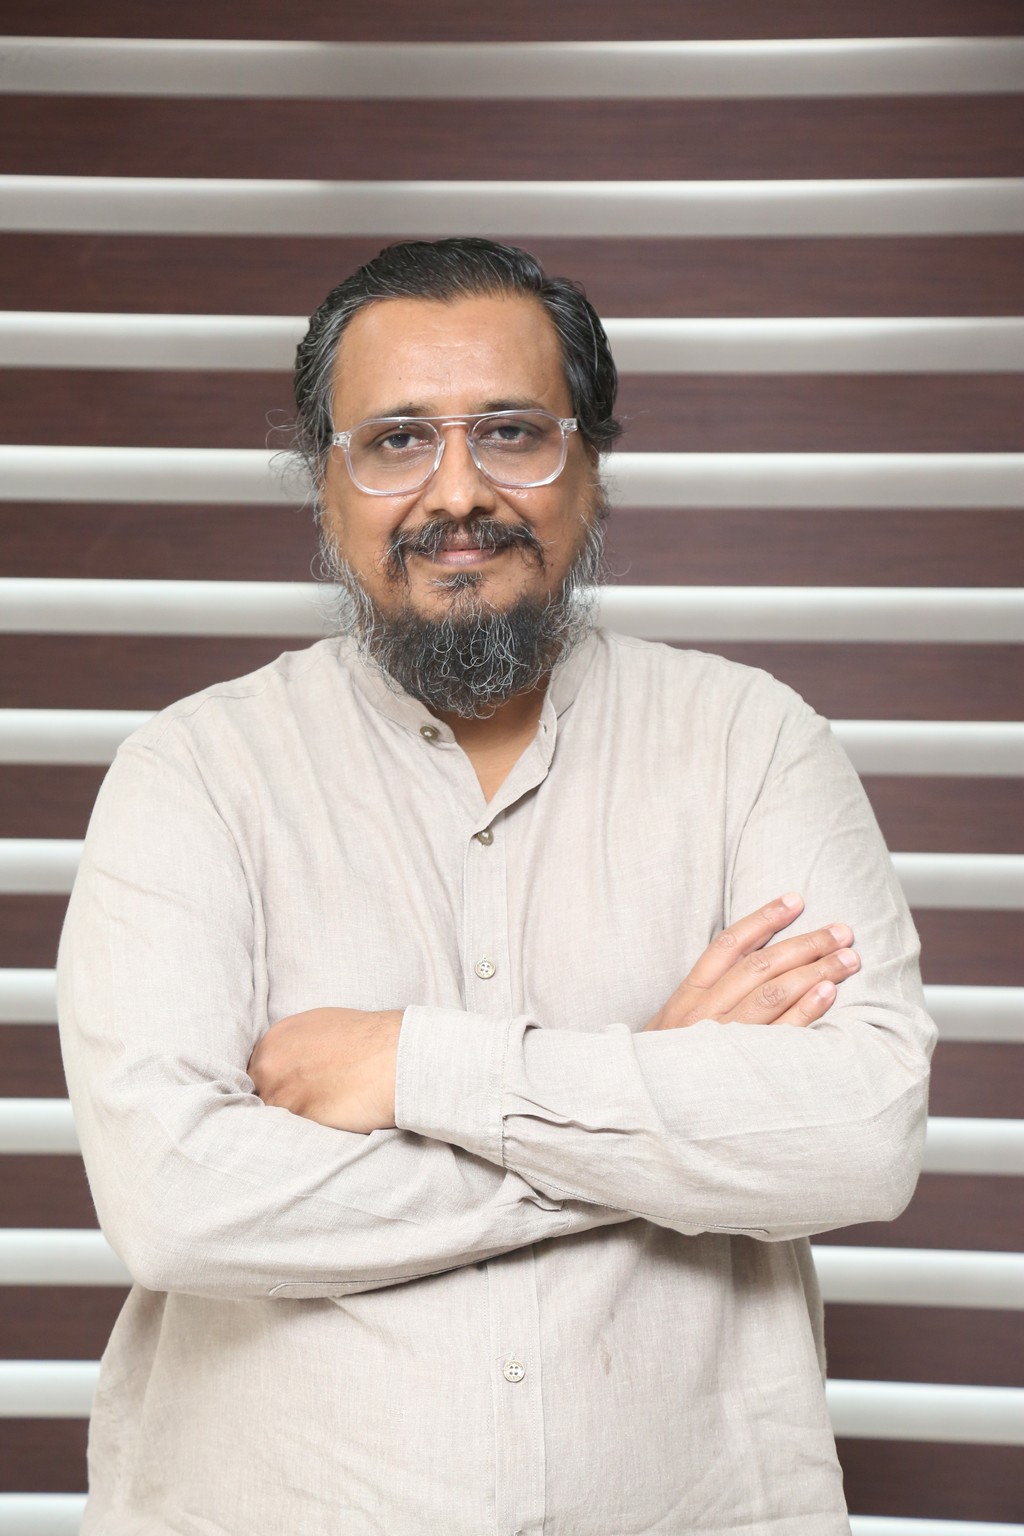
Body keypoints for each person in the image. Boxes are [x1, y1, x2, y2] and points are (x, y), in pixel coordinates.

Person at [57, 237, 935, 1536]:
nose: (457, 492)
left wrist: (414, 1068)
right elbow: (177, 1206)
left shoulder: (756, 743)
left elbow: (859, 1135)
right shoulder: (190, 775)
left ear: (593, 467)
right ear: (325, 483)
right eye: (397, 440)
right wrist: (653, 1089)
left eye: (513, 432)